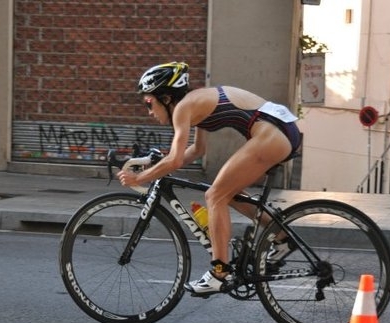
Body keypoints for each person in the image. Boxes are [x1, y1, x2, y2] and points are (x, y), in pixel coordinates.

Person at [117, 62, 302, 295]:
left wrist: (139, 178)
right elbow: (197, 150)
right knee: (228, 193)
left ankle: (219, 273)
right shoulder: (194, 102)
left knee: (214, 196)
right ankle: (283, 239)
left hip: (273, 133)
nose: (149, 111)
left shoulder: (183, 108)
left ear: (165, 98)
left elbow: (175, 160)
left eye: (149, 102)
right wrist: (155, 165)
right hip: (281, 130)